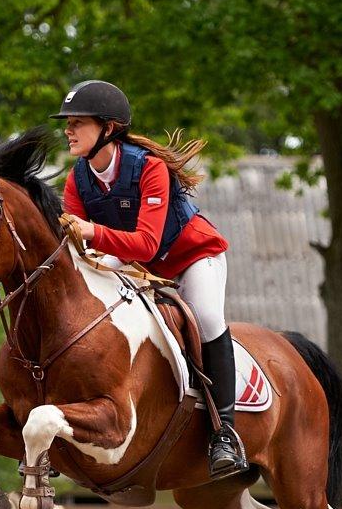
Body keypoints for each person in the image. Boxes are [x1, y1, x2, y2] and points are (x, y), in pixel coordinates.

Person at [51, 79, 246, 479]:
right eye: (67, 123)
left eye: (77, 122)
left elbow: (145, 243)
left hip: (191, 256)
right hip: (135, 263)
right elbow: (81, 251)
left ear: (108, 127)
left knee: (207, 316)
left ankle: (224, 431)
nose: (68, 130)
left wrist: (90, 233)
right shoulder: (78, 178)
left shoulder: (149, 168)